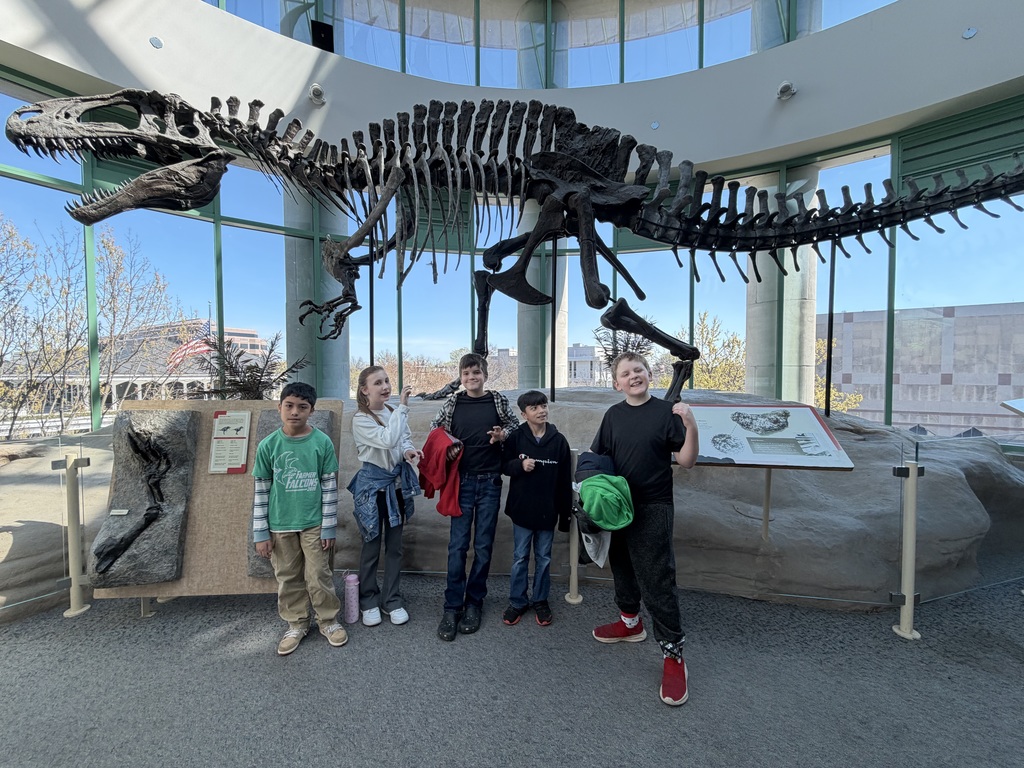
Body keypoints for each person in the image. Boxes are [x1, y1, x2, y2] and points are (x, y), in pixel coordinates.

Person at [589, 352, 699, 706]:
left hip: (653, 506)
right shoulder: (613, 415)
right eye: (625, 373)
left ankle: (673, 653)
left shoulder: (665, 413)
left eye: (638, 370)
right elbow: (599, 456)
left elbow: (686, 460)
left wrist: (691, 425)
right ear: (616, 383)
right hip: (618, 506)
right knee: (621, 565)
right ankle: (630, 623)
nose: (633, 376)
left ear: (650, 374)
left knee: (656, 579)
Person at [252, 382, 348, 656]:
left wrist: (328, 526)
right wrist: (261, 532)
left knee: (318, 574)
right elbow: (261, 491)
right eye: (289, 406)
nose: (295, 412)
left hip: (314, 523)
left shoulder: (321, 442)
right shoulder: (268, 446)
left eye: (302, 407)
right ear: (279, 407)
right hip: (280, 524)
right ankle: (296, 623)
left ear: (312, 411)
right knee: (288, 576)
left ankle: (328, 620)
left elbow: (329, 487)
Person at [429, 352, 519, 641]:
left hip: (490, 481)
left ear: (485, 375)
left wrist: (502, 435)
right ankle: (452, 606)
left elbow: (515, 426)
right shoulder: (453, 402)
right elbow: (435, 429)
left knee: (483, 546)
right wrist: (449, 446)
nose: (472, 377)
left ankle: (474, 603)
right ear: (461, 377)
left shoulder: (497, 400)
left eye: (476, 372)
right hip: (461, 482)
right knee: (457, 546)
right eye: (466, 373)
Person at [348, 366, 422, 627]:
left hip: (396, 488)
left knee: (395, 546)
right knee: (371, 546)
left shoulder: (392, 412)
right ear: (364, 390)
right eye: (378, 382)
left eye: (387, 381)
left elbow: (402, 440)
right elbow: (387, 439)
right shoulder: (361, 419)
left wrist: (409, 452)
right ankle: (368, 600)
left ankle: (392, 599)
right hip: (372, 491)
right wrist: (403, 407)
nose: (385, 386)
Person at [500, 390, 572, 627]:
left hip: (547, 512)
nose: (541, 411)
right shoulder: (516, 438)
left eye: (543, 406)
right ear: (524, 414)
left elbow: (564, 481)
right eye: (534, 408)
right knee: (520, 557)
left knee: (544, 558)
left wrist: (564, 516)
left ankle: (540, 600)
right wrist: (520, 465)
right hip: (522, 511)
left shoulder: (559, 441)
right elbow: (504, 466)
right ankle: (517, 601)